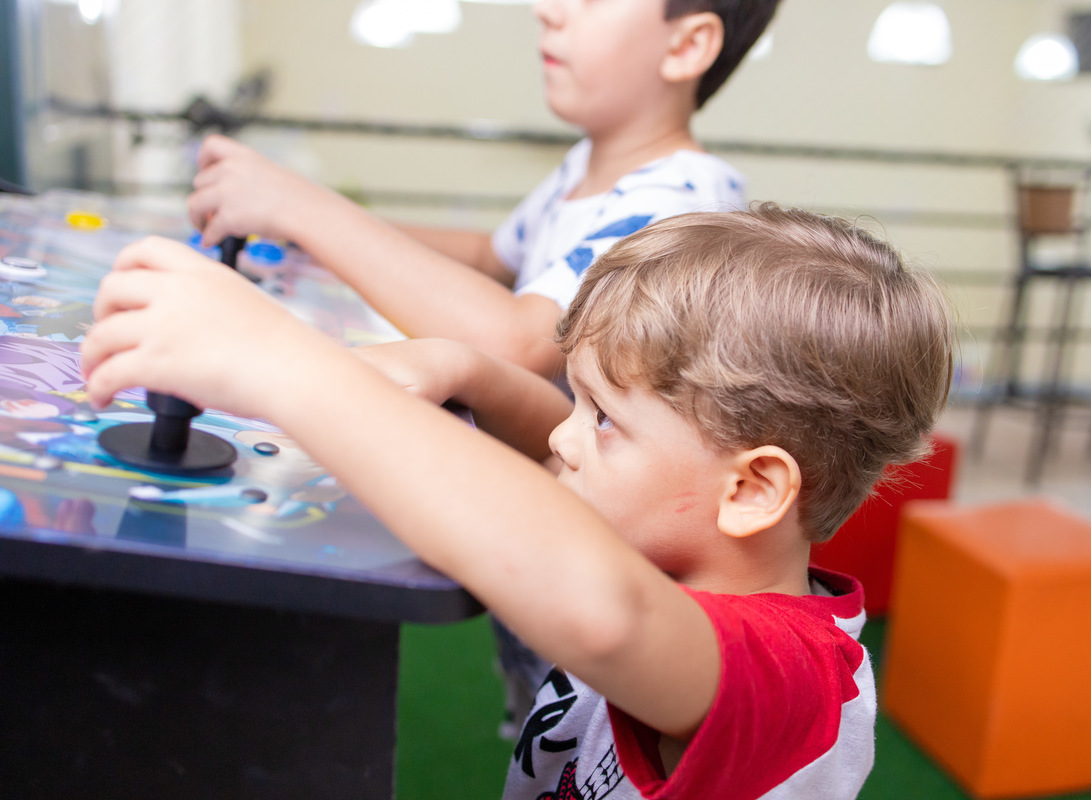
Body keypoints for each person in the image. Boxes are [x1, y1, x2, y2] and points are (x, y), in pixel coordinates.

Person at [83, 204, 955, 798]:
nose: (565, 440)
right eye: (577, 401)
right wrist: (467, 371)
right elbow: (584, 459)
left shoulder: (794, 680)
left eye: (604, 418)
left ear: (753, 487)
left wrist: (280, 365)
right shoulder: (689, 536)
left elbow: (605, 614)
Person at [186, 0, 780, 381]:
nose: (545, 9)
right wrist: (303, 225)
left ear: (686, 46)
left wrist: (303, 207)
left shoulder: (680, 203)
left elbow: (520, 341)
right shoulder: (591, 165)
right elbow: (489, 258)